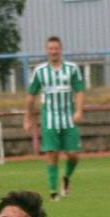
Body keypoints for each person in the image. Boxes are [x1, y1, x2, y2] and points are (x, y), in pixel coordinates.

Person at [24, 36, 85, 202]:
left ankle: (66, 178)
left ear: (61, 49)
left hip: (68, 118)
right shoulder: (40, 71)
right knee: (52, 154)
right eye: (50, 48)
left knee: (73, 155)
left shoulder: (72, 69)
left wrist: (79, 111)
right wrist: (28, 118)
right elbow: (31, 96)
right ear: (46, 50)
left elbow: (79, 91)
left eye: (56, 48)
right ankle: (52, 191)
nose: (53, 51)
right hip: (49, 119)